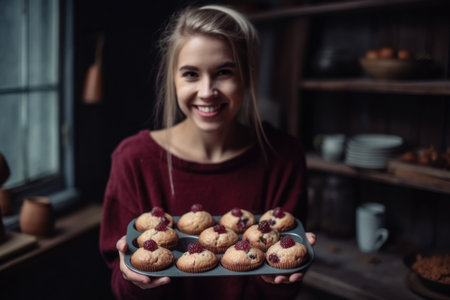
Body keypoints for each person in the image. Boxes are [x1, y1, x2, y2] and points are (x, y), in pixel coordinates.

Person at [99, 4, 316, 300]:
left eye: (224, 72)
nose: (206, 91)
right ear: (172, 79)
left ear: (248, 77)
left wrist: (278, 279)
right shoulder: (133, 160)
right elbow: (121, 284)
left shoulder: (283, 156)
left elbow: (284, 288)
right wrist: (135, 281)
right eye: (190, 74)